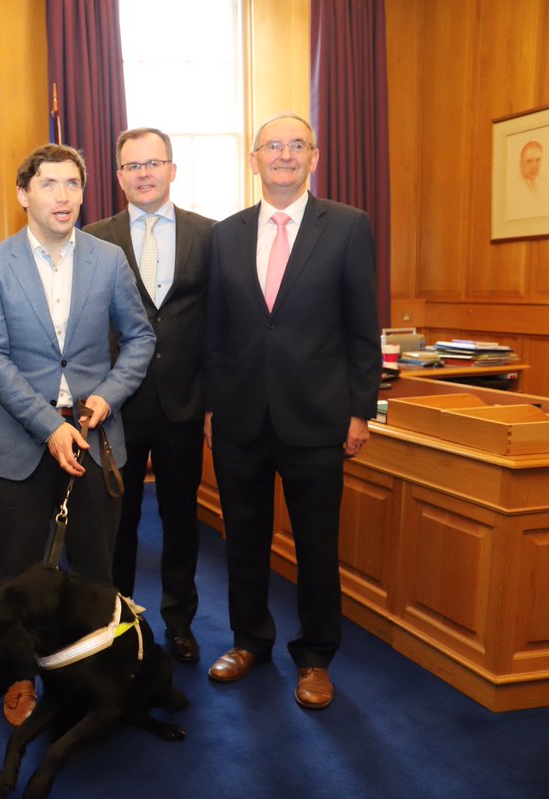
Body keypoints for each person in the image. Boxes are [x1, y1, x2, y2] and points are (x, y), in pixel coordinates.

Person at [0, 143, 155, 725]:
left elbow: (141, 338)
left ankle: (94, 682)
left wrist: (107, 395)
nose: (63, 195)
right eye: (49, 184)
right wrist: (50, 426)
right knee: (17, 578)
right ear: (23, 194)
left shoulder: (109, 259)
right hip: (17, 443)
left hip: (96, 438)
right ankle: (20, 680)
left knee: (97, 576)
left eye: (73, 183)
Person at [203, 113, 381, 710]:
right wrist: (212, 406)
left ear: (314, 157)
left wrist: (360, 411)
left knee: (317, 548)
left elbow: (363, 328)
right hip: (240, 419)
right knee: (243, 541)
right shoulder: (225, 235)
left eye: (296, 145)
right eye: (273, 146)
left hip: (318, 418)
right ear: (253, 159)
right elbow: (215, 333)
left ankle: (315, 657)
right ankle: (249, 640)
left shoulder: (348, 227)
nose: (284, 154)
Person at [84, 127, 215, 663]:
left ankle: (179, 621)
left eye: (153, 163)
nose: (143, 173)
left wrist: (214, 402)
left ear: (172, 170)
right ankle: (119, 624)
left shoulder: (210, 235)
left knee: (182, 520)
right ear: (119, 177)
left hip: (185, 402)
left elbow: (221, 325)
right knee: (119, 522)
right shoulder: (94, 238)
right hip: (117, 405)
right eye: (132, 166)